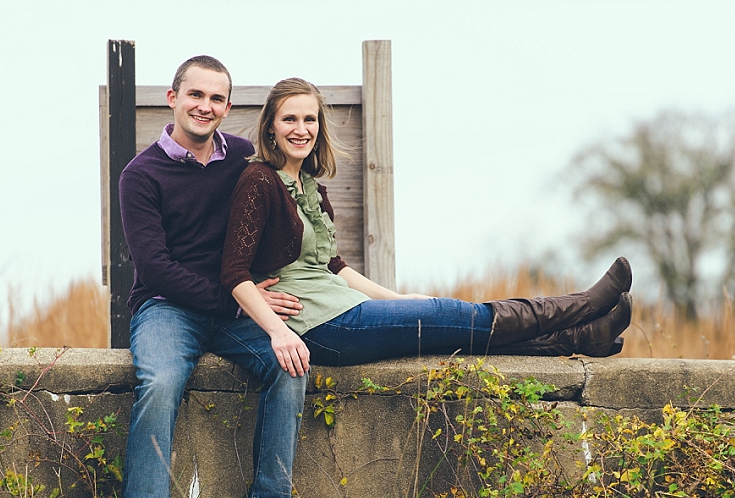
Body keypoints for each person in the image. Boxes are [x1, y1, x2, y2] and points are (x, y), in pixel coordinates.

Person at [221, 77, 633, 378]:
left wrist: (399, 298)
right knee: (449, 314)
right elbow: (234, 274)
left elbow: (335, 267)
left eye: (309, 119)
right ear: (271, 127)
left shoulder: (311, 187)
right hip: (320, 326)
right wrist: (277, 332)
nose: (301, 129)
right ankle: (584, 304)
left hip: (344, 308)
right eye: (289, 119)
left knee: (450, 333)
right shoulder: (258, 180)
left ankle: (580, 339)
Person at [111, 57, 310, 498]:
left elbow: (295, 207)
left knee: (288, 362)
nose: (206, 107)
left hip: (236, 305)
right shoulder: (141, 174)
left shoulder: (245, 159)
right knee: (159, 383)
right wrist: (238, 303)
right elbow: (156, 269)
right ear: (172, 97)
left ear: (228, 106)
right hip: (167, 307)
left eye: (217, 99)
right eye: (195, 95)